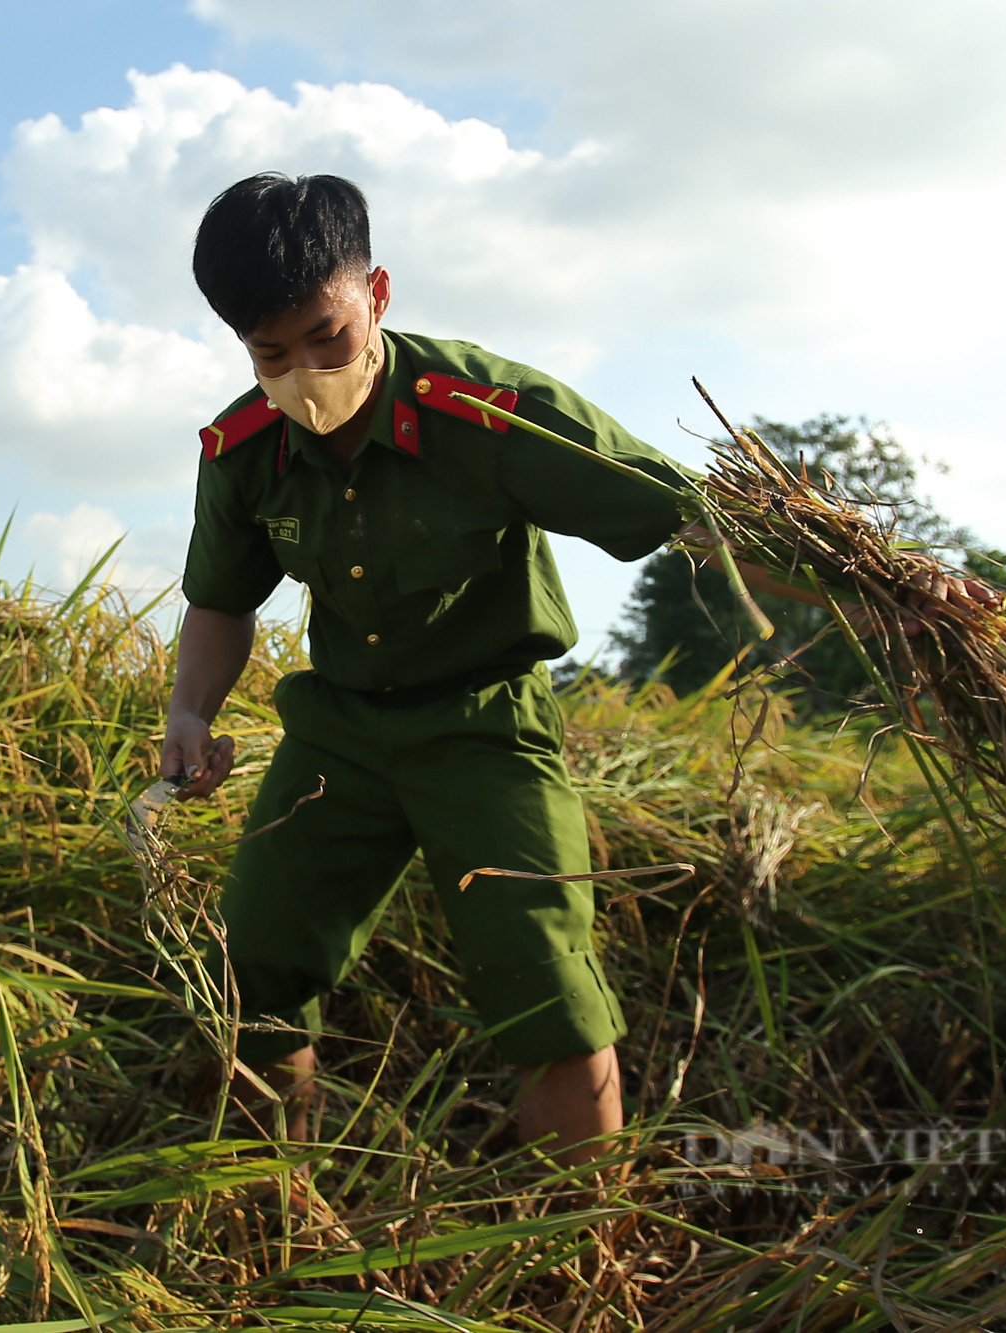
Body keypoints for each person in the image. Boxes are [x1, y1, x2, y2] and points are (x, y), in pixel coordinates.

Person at [162, 173, 824, 1167]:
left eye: (326, 336)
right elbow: (220, 597)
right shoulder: (245, 448)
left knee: (545, 988)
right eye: (271, 353)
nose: (303, 372)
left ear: (376, 294)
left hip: (483, 728)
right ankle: (267, 1218)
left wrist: (877, 583)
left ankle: (580, 1255)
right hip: (337, 732)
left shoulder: (486, 412)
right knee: (246, 971)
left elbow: (688, 515)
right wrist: (189, 709)